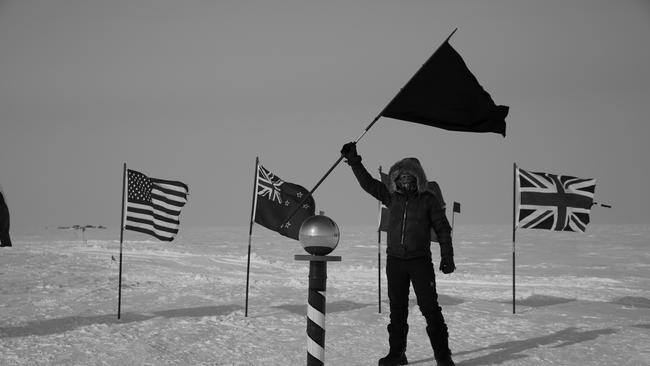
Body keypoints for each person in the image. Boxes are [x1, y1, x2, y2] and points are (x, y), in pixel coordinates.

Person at [341, 142, 456, 366]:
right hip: (395, 262)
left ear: (418, 178)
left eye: (409, 176)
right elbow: (368, 184)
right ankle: (397, 355)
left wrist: (447, 256)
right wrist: (354, 161)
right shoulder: (390, 197)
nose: (405, 179)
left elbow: (443, 228)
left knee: (430, 310)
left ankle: (443, 357)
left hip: (419, 262)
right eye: (401, 176)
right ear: (395, 178)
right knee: (397, 310)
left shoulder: (428, 199)